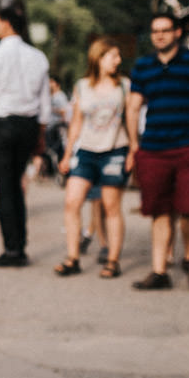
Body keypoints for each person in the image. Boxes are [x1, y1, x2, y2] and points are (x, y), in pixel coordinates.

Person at [126, 12, 189, 291]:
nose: (160, 36)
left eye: (165, 30)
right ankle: (159, 271)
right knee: (159, 211)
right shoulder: (143, 66)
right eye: (155, 31)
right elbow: (132, 107)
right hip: (154, 149)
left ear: (177, 33)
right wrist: (134, 145)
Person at [0, 5, 51, 267]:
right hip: (28, 125)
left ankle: (12, 249)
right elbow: (45, 102)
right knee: (16, 185)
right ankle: (20, 244)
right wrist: (40, 134)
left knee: (4, 187)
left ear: (5, 23)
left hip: (2, 126)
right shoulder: (38, 57)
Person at [55, 38, 131, 279]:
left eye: (118, 56)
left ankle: (112, 260)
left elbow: (131, 119)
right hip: (86, 151)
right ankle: (73, 257)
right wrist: (67, 154)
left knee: (111, 206)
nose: (118, 61)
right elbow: (76, 121)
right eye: (113, 56)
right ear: (99, 57)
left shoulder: (124, 86)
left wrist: (135, 151)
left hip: (115, 149)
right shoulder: (82, 85)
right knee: (72, 201)